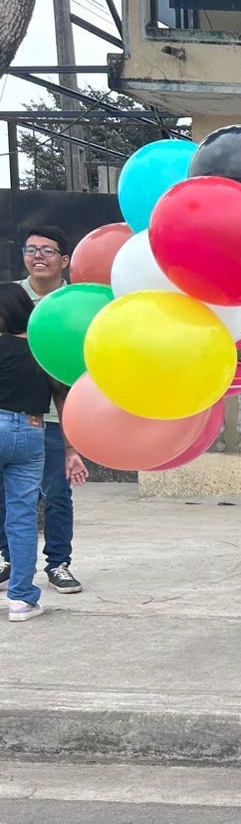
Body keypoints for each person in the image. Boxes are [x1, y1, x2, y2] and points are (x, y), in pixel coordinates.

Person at [0, 227, 84, 595]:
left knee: (57, 493)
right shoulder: (10, 297)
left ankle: (58, 563)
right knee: (8, 497)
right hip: (12, 412)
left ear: (64, 260)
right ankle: (8, 560)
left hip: (55, 416)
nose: (37, 256)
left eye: (47, 251)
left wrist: (73, 440)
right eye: (31, 249)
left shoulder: (76, 302)